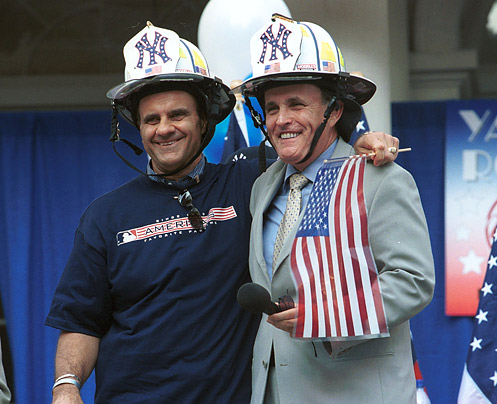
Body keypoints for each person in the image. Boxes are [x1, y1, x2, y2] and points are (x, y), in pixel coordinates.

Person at [45, 22, 399, 404]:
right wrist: (66, 385)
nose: (164, 129)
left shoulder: (255, 183)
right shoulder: (103, 216)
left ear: (205, 121)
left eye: (177, 115)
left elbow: (313, 147)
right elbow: (81, 320)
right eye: (151, 119)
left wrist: (360, 141)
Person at [238, 15, 435, 404]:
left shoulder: (379, 177)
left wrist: (324, 315)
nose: (282, 120)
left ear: (334, 111)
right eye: (273, 107)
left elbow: (414, 281)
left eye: (297, 104)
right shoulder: (262, 186)